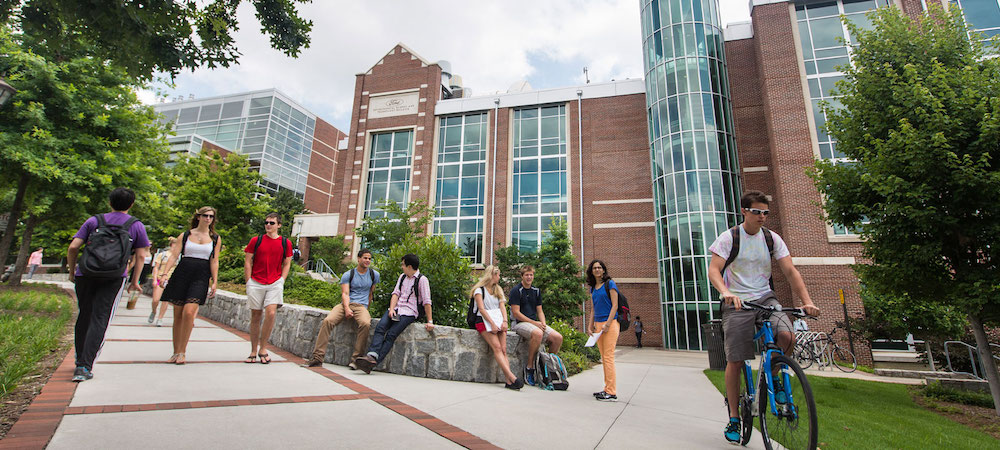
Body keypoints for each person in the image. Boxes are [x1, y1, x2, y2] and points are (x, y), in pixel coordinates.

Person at [707, 190, 820, 444]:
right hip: (737, 301)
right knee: (736, 359)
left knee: (787, 335)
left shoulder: (772, 239)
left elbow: (790, 271)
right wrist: (725, 292)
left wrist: (807, 301)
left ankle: (777, 376)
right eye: (757, 212)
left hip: (766, 298)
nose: (762, 217)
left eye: (765, 212)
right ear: (744, 211)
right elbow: (714, 270)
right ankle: (735, 418)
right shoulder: (729, 238)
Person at [65, 188, 150, 382]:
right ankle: (85, 366)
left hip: (85, 274)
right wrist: (134, 281)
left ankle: (80, 360)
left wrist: (72, 271)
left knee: (84, 315)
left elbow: (73, 247)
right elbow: (141, 255)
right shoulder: (135, 225)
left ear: (109, 202)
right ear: (131, 204)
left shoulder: (94, 221)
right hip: (113, 276)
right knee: (100, 317)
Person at [158, 207, 221, 365]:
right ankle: (175, 351)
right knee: (177, 315)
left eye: (211, 217)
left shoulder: (215, 238)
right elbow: (174, 256)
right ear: (198, 217)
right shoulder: (186, 235)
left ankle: (183, 351)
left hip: (201, 275)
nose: (208, 219)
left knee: (189, 312)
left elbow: (214, 260)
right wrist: (165, 273)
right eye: (205, 216)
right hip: (183, 273)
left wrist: (214, 281)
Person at [354, 253, 434, 374]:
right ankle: (371, 355)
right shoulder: (402, 277)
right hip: (396, 309)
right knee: (380, 327)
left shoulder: (422, 280)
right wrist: (391, 309)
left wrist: (430, 321)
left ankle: (373, 362)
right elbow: (396, 293)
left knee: (391, 334)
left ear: (410, 266)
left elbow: (427, 301)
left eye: (403, 264)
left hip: (410, 313)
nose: (401, 267)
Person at [304, 248, 380, 369]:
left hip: (361, 306)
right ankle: (317, 358)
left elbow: (371, 294)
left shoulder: (374, 275)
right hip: (346, 304)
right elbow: (345, 294)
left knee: (365, 323)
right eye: (365, 258)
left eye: (369, 259)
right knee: (328, 321)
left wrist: (366, 310)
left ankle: (356, 360)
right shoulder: (349, 274)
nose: (367, 260)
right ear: (359, 259)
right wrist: (347, 309)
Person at [243, 213, 293, 364]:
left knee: (271, 313)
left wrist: (282, 280)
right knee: (256, 316)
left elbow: (287, 263)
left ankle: (263, 348)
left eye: (272, 223)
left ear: (279, 225)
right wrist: (248, 281)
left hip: (274, 283)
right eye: (266, 222)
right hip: (256, 282)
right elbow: (247, 261)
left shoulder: (285, 243)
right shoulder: (256, 241)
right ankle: (253, 350)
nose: (268, 225)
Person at [471, 265, 524, 390]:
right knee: (497, 347)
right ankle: (512, 377)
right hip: (484, 321)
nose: (499, 277)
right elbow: (482, 309)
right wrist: (492, 324)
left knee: (504, 349)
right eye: (498, 275)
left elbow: (502, 307)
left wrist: (505, 321)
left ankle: (508, 381)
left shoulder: (498, 289)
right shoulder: (479, 290)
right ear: (492, 275)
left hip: (498, 320)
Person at [509, 265, 562, 387]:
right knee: (537, 333)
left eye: (531, 275)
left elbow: (540, 311)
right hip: (519, 324)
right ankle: (530, 368)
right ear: (522, 276)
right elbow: (516, 313)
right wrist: (535, 324)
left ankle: (547, 368)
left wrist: (542, 323)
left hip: (534, 323)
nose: (529, 277)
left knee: (557, 338)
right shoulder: (516, 291)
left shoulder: (536, 291)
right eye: (526, 275)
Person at [587, 259, 620, 402]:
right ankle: (607, 389)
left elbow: (615, 305)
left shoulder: (610, 284)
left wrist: (607, 323)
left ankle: (611, 392)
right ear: (591, 271)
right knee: (604, 358)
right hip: (598, 325)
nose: (597, 270)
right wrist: (590, 325)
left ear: (604, 270)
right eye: (595, 268)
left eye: (599, 267)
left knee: (608, 357)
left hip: (610, 324)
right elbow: (593, 308)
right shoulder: (593, 288)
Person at [149, 238, 177, 326]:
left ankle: (160, 318)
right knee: (155, 299)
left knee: (165, 300)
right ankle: (154, 311)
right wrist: (154, 279)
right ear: (172, 244)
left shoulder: (178, 256)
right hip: (160, 278)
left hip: (170, 280)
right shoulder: (163, 255)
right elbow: (156, 267)